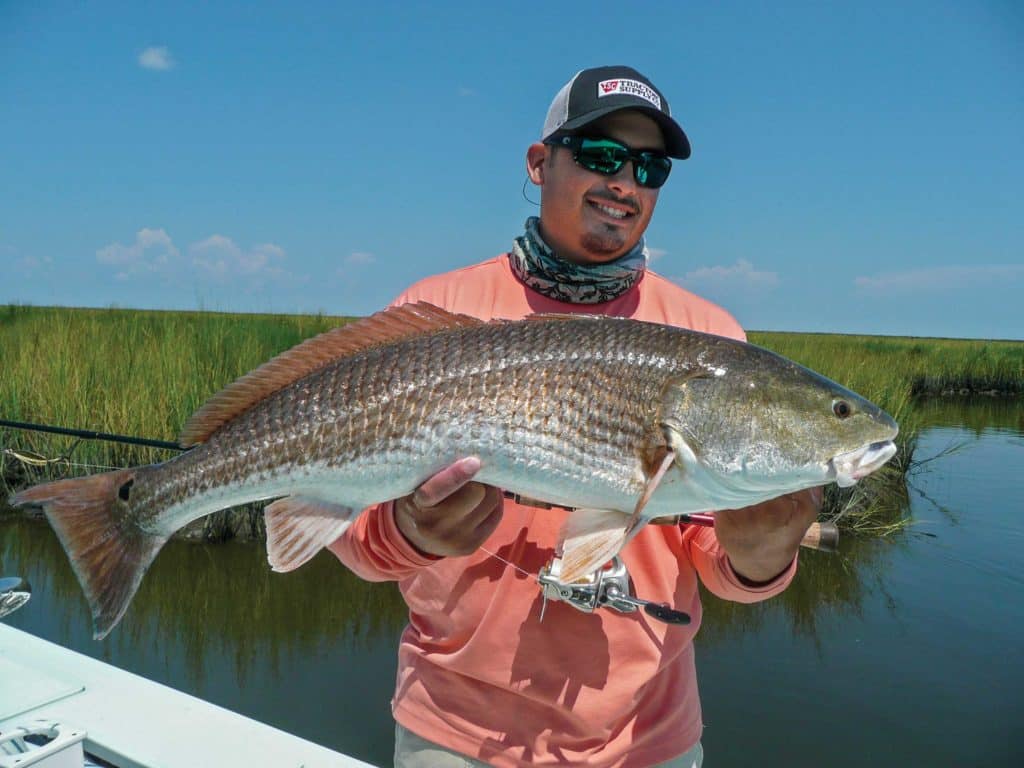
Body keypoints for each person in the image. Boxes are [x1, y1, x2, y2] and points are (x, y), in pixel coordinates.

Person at [330, 65, 820, 768]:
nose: (625, 181)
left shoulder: (711, 338)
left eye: (649, 167)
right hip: (452, 731)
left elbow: (721, 563)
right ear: (539, 163)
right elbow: (343, 533)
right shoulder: (431, 315)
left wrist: (764, 550)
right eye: (600, 155)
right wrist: (409, 532)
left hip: (646, 739)